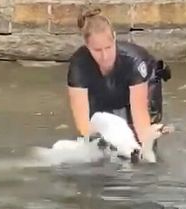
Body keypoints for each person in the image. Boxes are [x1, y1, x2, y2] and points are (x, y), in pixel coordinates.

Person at [67, 8, 171, 146]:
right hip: (103, 85)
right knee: (98, 138)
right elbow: (83, 124)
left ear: (114, 38)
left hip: (144, 79)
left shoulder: (134, 60)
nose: (104, 56)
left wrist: (144, 138)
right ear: (87, 46)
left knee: (143, 137)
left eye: (109, 48)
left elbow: (140, 114)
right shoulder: (78, 65)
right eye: (97, 50)